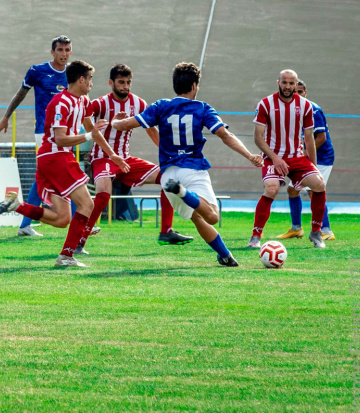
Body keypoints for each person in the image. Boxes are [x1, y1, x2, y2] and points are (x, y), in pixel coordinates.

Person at [110, 62, 263, 267]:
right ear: (194, 86)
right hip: (192, 170)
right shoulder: (202, 108)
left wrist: (114, 122)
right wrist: (249, 155)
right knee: (212, 215)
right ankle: (183, 192)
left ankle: (225, 255)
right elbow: (224, 135)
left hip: (168, 175)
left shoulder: (160, 106)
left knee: (197, 218)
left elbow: (125, 125)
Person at [0, 60, 118, 268]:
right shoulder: (61, 102)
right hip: (55, 156)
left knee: (62, 219)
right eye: (90, 79)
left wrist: (112, 155)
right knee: (87, 204)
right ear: (81, 79)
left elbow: (93, 132)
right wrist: (88, 135)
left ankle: (16, 206)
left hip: (54, 158)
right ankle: (66, 256)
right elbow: (60, 139)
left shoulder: (83, 101)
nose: (92, 84)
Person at [83, 64, 193, 246]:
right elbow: (86, 121)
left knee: (168, 178)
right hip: (103, 158)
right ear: (111, 83)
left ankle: (166, 231)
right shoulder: (100, 103)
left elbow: (151, 130)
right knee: (103, 194)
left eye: (128, 82)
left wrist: (168, 153)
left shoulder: (139, 103)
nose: (125, 86)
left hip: (125, 159)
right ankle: (82, 237)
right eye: (121, 82)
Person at [0, 35, 72, 237]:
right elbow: (21, 93)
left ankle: (25, 224)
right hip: (44, 133)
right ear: (52, 51)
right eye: (60, 50)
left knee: (44, 176)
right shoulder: (38, 71)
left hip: (64, 133)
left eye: (67, 50)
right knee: (63, 172)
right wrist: (6, 116)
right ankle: (80, 218)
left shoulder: (72, 73)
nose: (64, 54)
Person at [249, 70, 328, 249]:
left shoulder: (306, 106)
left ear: (296, 85)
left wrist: (313, 167)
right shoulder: (265, 104)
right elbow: (258, 138)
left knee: (319, 184)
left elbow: (309, 139)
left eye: (291, 83)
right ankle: (256, 235)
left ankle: (316, 232)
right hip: (272, 157)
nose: (287, 86)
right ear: (278, 82)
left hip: (297, 158)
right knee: (271, 189)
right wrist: (275, 158)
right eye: (284, 82)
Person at [276, 80, 335, 241]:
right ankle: (296, 229)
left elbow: (321, 137)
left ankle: (326, 229)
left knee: (313, 189)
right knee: (292, 190)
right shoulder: (291, 110)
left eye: (301, 92)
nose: (298, 95)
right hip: (302, 157)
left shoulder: (313, 109)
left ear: (306, 93)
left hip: (322, 157)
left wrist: (305, 154)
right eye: (296, 92)